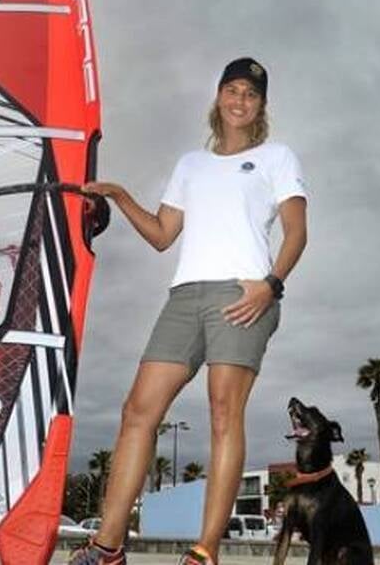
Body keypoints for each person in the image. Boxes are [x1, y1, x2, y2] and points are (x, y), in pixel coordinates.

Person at [70, 57, 308, 565]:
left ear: (261, 105)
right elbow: (161, 235)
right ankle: (107, 547)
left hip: (243, 295)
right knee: (138, 410)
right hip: (184, 296)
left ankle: (205, 551)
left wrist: (270, 285)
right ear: (218, 97)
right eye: (232, 89)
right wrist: (120, 195)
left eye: (251, 93)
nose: (240, 100)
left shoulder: (277, 158)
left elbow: (296, 232)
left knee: (224, 411)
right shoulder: (189, 165)